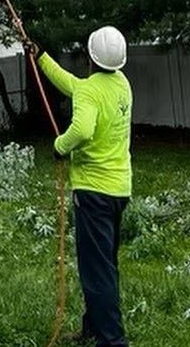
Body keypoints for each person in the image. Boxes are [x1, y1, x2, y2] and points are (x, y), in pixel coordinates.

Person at [28, 26, 132, 347]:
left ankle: (112, 341)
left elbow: (82, 129)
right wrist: (41, 56)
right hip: (118, 190)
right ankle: (94, 327)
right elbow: (73, 85)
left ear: (89, 57)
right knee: (105, 264)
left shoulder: (90, 92)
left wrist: (60, 146)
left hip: (93, 192)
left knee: (96, 271)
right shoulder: (121, 84)